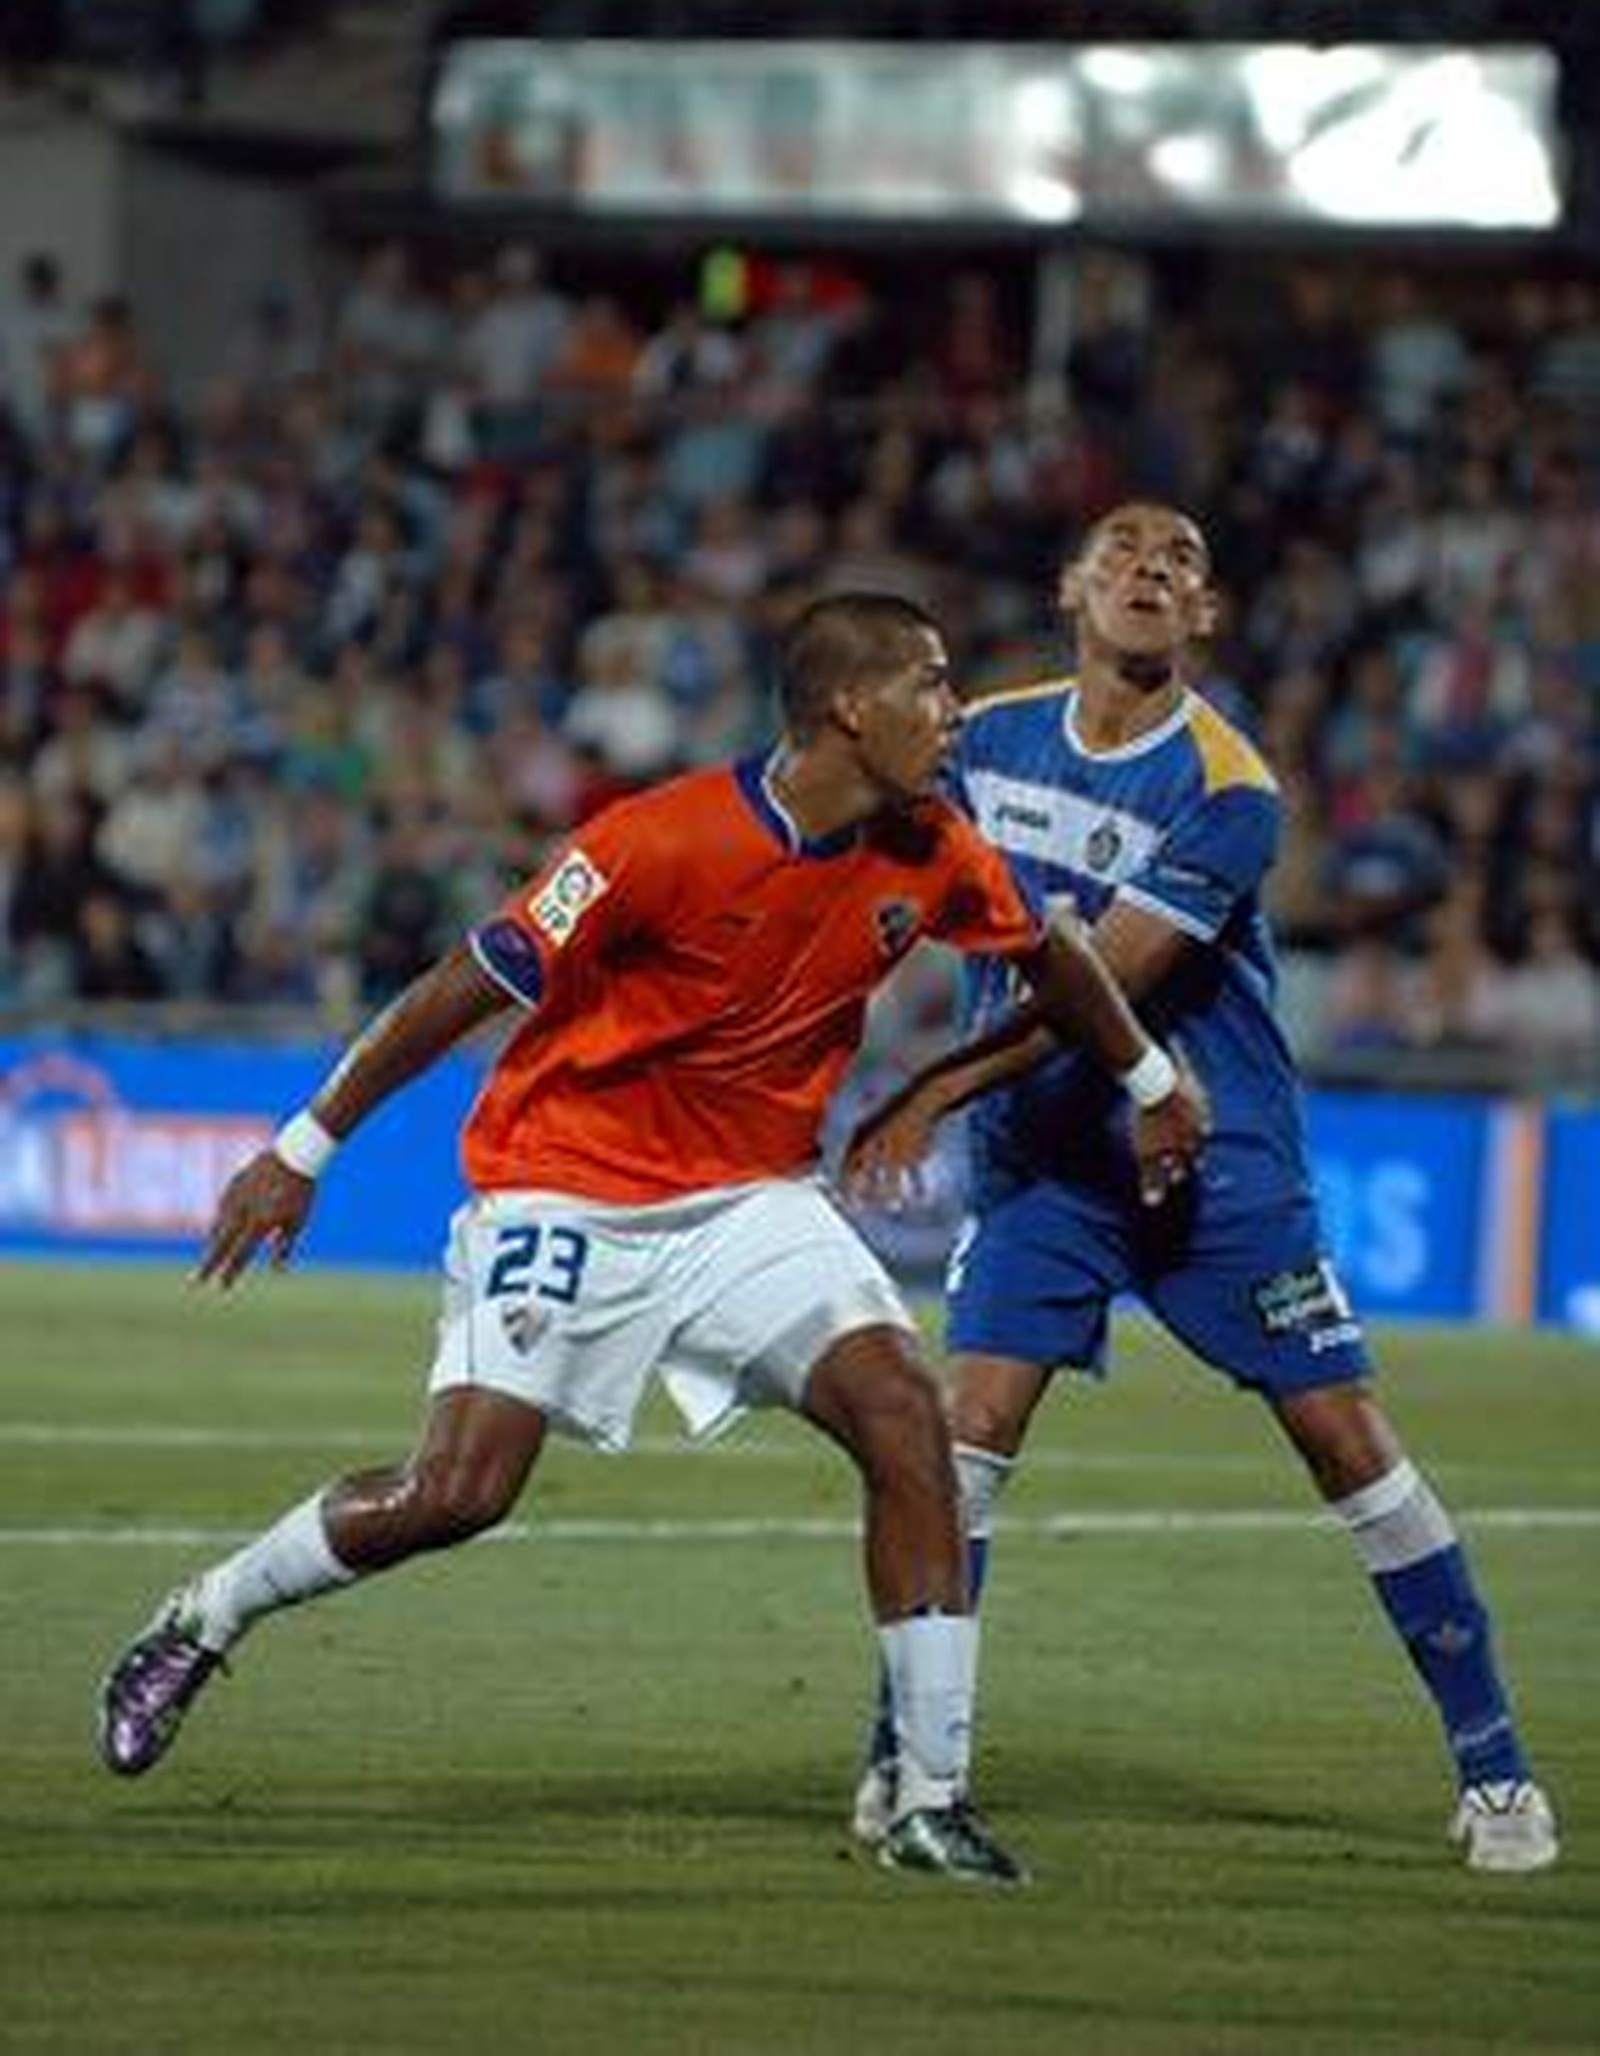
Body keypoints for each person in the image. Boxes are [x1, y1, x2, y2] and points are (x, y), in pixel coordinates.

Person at [95, 591, 1207, 1887]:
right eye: (931, 682)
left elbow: (1058, 956)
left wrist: (1148, 1080)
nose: (953, 711)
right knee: (457, 1491)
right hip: (566, 1184)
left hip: (751, 1201)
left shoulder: (934, 844)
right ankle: (207, 1612)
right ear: (853, 707)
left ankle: (928, 1794)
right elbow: (462, 982)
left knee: (910, 1416)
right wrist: (301, 1148)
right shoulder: (654, 840)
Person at [844, 506, 1558, 1875]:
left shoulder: (1231, 785)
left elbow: (1102, 979)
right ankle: (910, 1755)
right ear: (1071, 588)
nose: (1151, 570)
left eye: (1180, 561)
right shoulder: (982, 738)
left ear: (1206, 616)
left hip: (1213, 1158)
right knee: (963, 1436)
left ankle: (1496, 1769)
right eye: (1122, 550)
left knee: (1344, 1436)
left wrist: (932, 1085)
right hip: (1047, 1161)